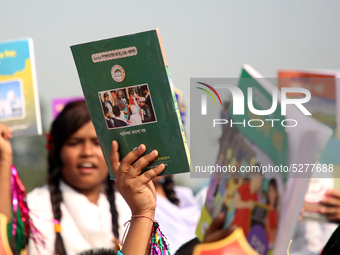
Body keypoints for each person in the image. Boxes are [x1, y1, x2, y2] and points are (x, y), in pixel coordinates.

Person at [0, 100, 131, 255]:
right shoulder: (34, 209)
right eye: (75, 143)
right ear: (56, 151)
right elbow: (5, 242)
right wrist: (4, 159)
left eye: (97, 143)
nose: (87, 152)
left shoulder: (130, 208)